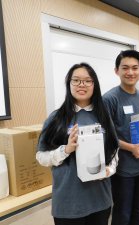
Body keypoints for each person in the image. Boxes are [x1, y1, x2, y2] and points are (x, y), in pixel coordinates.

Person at [36, 63, 119, 225]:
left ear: (94, 85)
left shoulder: (103, 116)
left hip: (100, 199)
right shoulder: (56, 118)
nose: (82, 85)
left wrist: (111, 168)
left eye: (88, 81)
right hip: (68, 202)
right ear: (69, 84)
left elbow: (114, 148)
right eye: (76, 80)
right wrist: (65, 150)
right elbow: (41, 157)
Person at [103, 50, 139, 225]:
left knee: (138, 212)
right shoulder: (109, 99)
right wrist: (131, 148)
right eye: (125, 68)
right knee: (122, 213)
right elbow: (106, 138)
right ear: (116, 71)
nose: (130, 72)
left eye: (135, 68)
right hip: (122, 169)